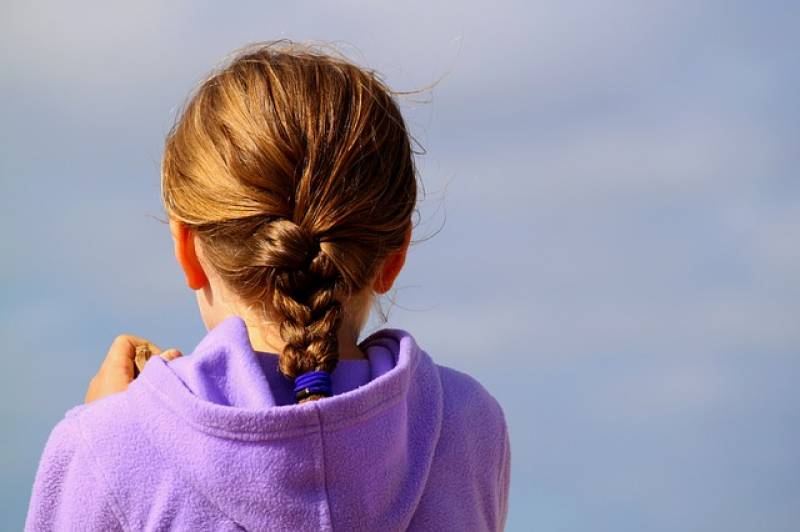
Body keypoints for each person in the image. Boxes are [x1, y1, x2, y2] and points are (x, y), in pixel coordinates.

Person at [24, 39, 511, 531]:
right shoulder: (468, 428)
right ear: (395, 256)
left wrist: (108, 447)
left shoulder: (103, 451)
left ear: (188, 248)